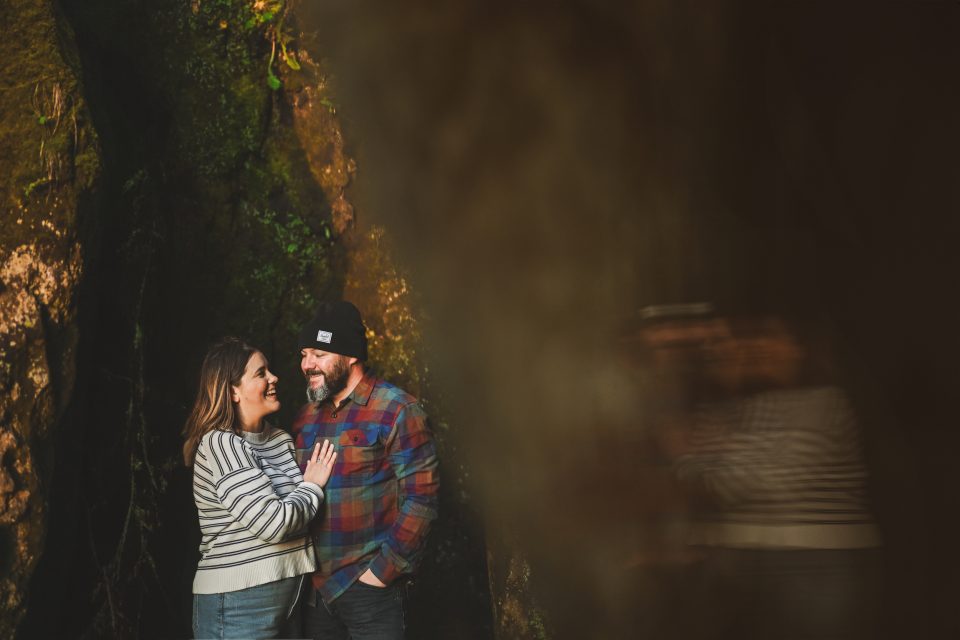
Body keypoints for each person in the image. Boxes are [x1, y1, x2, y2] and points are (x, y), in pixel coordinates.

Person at [291, 301, 440, 640]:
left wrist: (381, 574)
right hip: (315, 594)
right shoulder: (305, 416)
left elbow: (422, 498)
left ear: (350, 355)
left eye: (318, 354)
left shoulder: (397, 409)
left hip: (371, 591)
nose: (306, 364)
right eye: (303, 354)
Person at [182, 337, 337, 639]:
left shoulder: (280, 440)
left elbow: (296, 517)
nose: (274, 377)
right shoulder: (221, 444)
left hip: (290, 600)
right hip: (238, 606)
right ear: (233, 391)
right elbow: (273, 523)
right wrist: (312, 486)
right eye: (260, 373)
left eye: (270, 370)